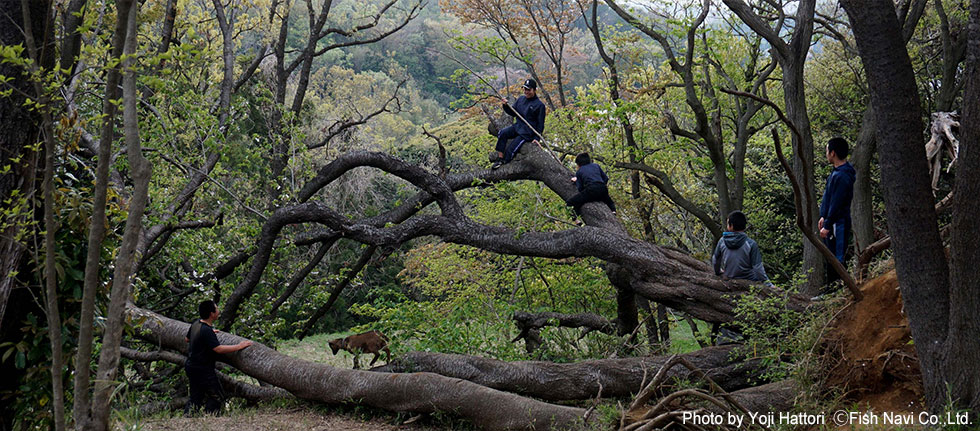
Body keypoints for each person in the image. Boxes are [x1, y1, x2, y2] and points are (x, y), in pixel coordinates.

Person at [184, 300, 252, 416]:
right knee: (217, 395)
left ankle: (188, 417)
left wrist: (208, 334)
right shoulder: (206, 331)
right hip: (203, 369)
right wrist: (239, 346)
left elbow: (187, 339)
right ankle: (211, 416)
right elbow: (218, 349)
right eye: (217, 308)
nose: (218, 310)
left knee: (196, 396)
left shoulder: (196, 324)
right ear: (212, 313)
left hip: (191, 366)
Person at [818, 137, 856, 286]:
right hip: (831, 221)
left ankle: (837, 289)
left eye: (827, 150)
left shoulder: (842, 176)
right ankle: (831, 288)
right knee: (830, 255)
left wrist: (828, 224)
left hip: (838, 223)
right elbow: (829, 198)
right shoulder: (836, 173)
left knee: (837, 257)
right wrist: (823, 216)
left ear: (833, 153)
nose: (826, 154)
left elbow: (837, 204)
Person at [491, 78, 546, 169]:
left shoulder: (539, 105)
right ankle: (499, 158)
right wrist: (505, 106)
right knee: (502, 133)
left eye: (529, 89)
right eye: (525, 89)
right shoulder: (521, 99)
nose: (526, 91)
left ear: (534, 90)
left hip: (527, 133)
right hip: (517, 126)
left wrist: (537, 138)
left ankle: (505, 163)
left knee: (511, 149)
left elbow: (540, 124)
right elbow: (513, 112)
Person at [712, 211, 770, 283]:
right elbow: (757, 267)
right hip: (749, 279)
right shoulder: (751, 243)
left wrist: (717, 272)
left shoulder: (722, 241)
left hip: (729, 277)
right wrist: (768, 283)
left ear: (731, 226)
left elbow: (716, 259)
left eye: (727, 223)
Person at [566, 153, 616, 221]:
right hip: (603, 188)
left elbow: (580, 188)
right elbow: (605, 178)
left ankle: (576, 220)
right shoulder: (596, 166)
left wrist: (577, 181)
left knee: (571, 202)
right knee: (609, 201)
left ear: (579, 164)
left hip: (591, 190)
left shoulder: (579, 171)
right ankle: (613, 211)